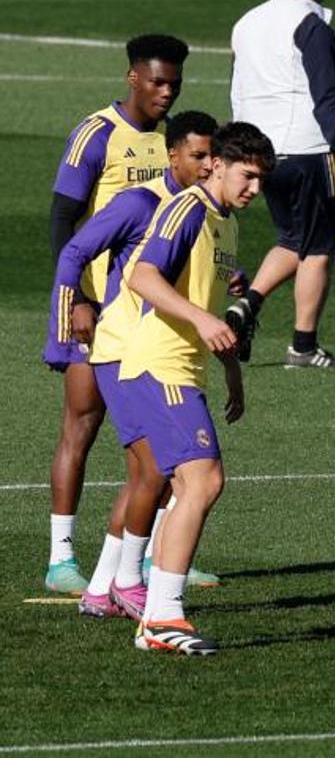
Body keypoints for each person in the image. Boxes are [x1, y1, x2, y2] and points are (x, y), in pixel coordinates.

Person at [47, 112, 221, 618]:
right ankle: (120, 580)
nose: (209, 166)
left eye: (214, 157)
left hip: (152, 349)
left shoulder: (203, 212)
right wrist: (71, 314)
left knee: (154, 474)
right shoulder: (144, 202)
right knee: (155, 471)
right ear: (172, 156)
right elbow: (74, 249)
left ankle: (106, 586)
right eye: (199, 157)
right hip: (126, 348)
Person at [120, 122, 275, 655]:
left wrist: (230, 368)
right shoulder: (188, 209)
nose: (254, 188)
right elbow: (141, 277)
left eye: (261, 180)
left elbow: (206, 308)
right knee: (204, 481)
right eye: (247, 176)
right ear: (218, 165)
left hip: (185, 370)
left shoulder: (225, 224)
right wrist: (202, 323)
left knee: (188, 487)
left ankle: (155, 615)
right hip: (158, 366)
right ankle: (162, 614)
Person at [44, 34, 189, 594]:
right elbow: (62, 218)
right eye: (157, 81)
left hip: (153, 309)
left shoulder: (179, 143)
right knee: (83, 422)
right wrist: (76, 297)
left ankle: (153, 557)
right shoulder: (97, 134)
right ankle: (61, 558)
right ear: (133, 77)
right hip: (95, 303)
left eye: (174, 83)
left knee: (161, 435)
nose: (165, 92)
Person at [227, 0, 335, 368]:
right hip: (307, 149)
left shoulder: (247, 21)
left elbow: (239, 85)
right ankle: (303, 347)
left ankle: (245, 305)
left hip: (259, 152)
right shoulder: (312, 26)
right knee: (319, 247)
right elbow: (328, 96)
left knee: (293, 237)